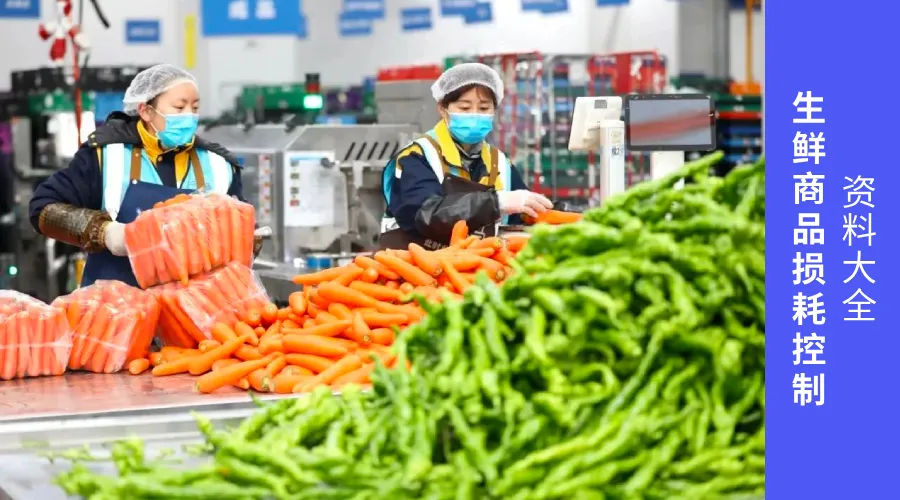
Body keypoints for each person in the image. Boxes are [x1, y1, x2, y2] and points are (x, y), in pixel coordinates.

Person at [29, 64, 250, 288]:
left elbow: (244, 238)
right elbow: (44, 209)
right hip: (116, 304)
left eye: (194, 108)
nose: (189, 116)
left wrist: (245, 239)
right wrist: (107, 233)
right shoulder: (106, 156)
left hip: (198, 304)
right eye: (179, 107)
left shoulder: (218, 164)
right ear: (145, 111)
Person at [379, 62, 552, 250]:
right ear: (442, 109)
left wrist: (561, 213)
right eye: (464, 108)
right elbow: (426, 216)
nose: (474, 115)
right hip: (412, 264)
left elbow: (524, 211)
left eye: (484, 108)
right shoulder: (417, 157)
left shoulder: (500, 163)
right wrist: (497, 203)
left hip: (477, 264)